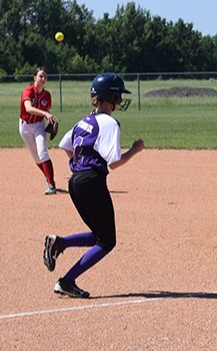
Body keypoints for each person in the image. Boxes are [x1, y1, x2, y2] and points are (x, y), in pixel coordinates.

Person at [43, 72, 144, 298]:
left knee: (99, 234)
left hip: (76, 183)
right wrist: (135, 150)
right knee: (107, 241)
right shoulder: (109, 123)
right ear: (111, 98)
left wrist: (77, 165)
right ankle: (66, 281)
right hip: (92, 182)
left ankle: (60, 243)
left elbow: (64, 144)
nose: (119, 100)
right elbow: (114, 162)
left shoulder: (84, 121)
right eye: (117, 96)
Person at [19, 67, 59, 195]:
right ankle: (48, 177)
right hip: (25, 127)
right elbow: (28, 108)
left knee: (43, 153)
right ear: (35, 78)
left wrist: (49, 118)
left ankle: (51, 184)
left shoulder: (47, 95)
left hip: (39, 126)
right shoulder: (28, 91)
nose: (43, 79)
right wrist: (46, 114)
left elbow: (47, 110)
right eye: (40, 76)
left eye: (45, 77)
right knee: (36, 158)